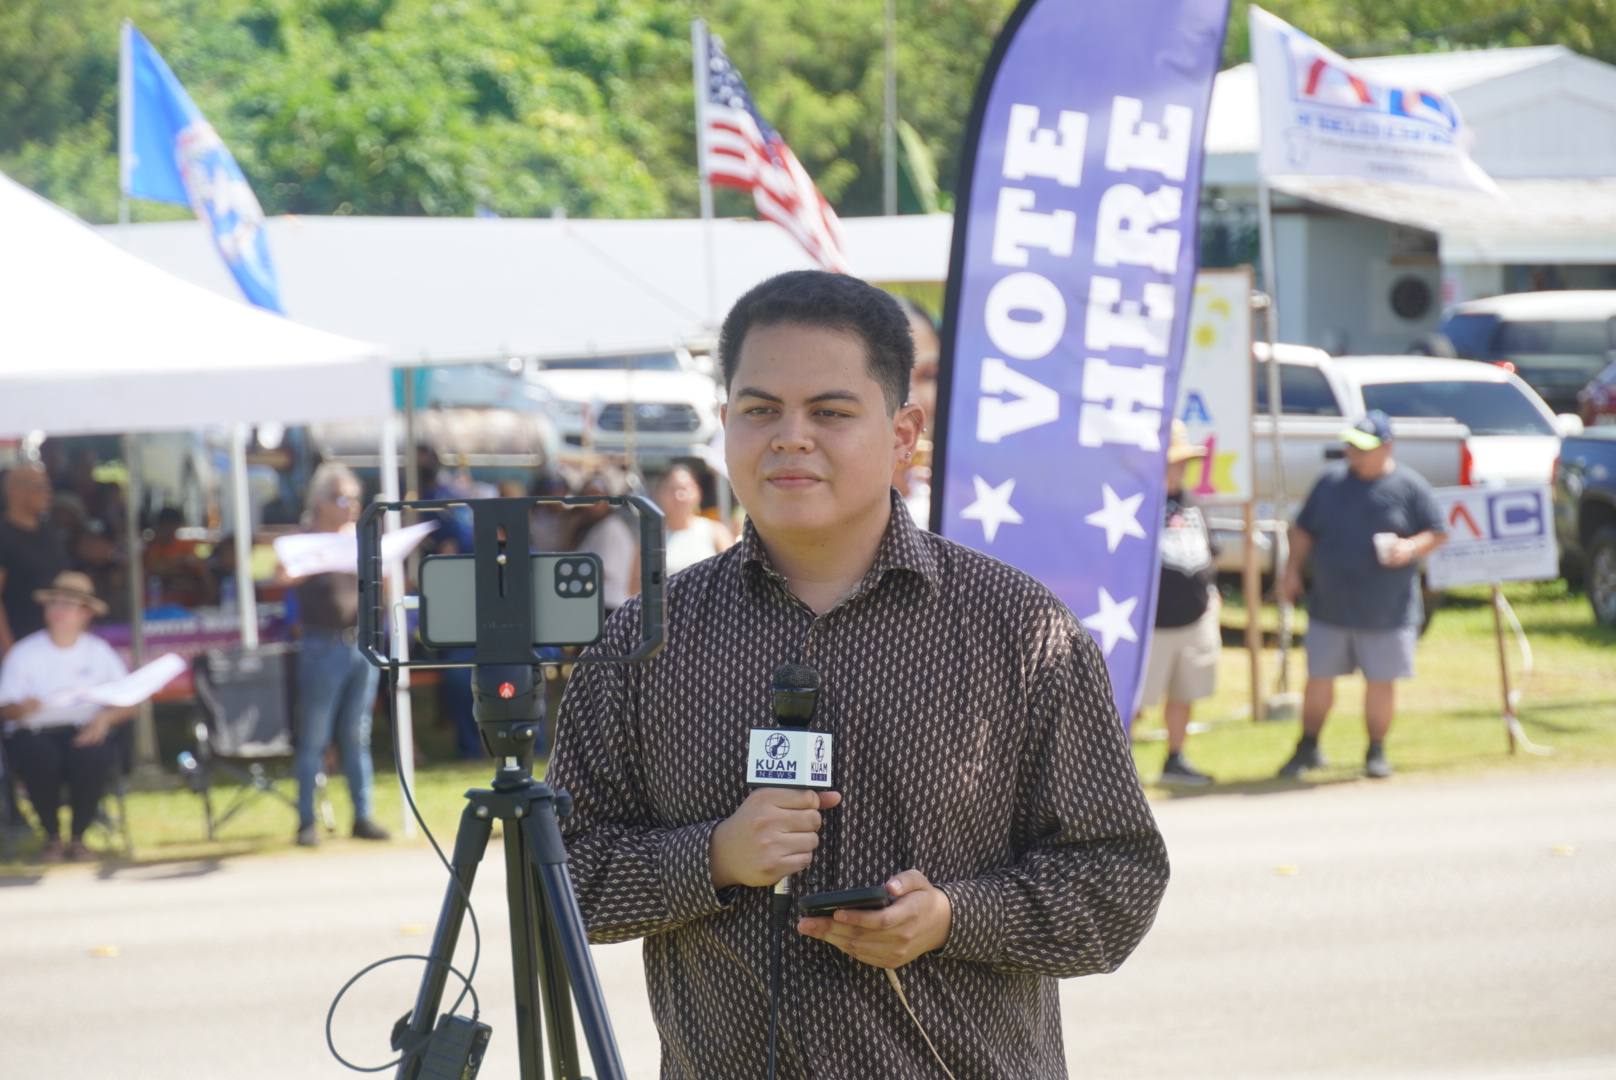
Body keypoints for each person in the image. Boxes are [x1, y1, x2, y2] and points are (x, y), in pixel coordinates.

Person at [548, 271, 1167, 1079]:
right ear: (726, 424)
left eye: (831, 412)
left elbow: (1116, 883)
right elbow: (565, 883)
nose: (790, 437)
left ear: (904, 432)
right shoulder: (643, 642)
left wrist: (953, 918)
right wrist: (715, 857)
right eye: (759, 409)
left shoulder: (1020, 631)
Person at [1278, 410, 1448, 780]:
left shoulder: (1409, 486)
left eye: (1363, 447)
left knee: (1381, 681)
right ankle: (1308, 746)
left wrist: (1410, 548)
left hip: (1386, 608)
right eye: (1351, 445)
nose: (1353, 453)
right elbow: (1304, 531)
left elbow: (1437, 531)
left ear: (1388, 447)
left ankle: (1376, 751)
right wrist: (1291, 572)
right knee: (1320, 677)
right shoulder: (1329, 483)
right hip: (1330, 604)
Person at [286, 463, 389, 845]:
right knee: (314, 736)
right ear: (321, 501)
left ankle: (363, 816)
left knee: (356, 734)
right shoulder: (305, 540)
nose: (351, 507)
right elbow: (278, 573)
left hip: (361, 643)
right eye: (343, 498)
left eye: (355, 499)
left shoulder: (359, 538)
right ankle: (306, 820)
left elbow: (384, 582)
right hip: (321, 644)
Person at [0, 571, 133, 862]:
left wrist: (104, 719)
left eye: (68, 605)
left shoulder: (99, 652)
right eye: (54, 603)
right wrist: (22, 709)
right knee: (40, 758)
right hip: (34, 732)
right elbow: (5, 706)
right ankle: (51, 838)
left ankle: (78, 837)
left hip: (84, 727)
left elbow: (129, 699)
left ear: (85, 613)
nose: (59, 611)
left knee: (92, 756)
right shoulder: (25, 652)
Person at [1140, 420, 1222, 786]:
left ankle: (1175, 758)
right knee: (1133, 700)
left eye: (1184, 462)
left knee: (1185, 691)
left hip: (1194, 615)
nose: (1181, 468)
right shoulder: (1136, 503)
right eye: (1175, 462)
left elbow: (1210, 551)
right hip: (1150, 621)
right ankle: (1114, 767)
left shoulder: (1192, 503)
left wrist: (1212, 590)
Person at [0, 463, 69, 657]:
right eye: (39, 486)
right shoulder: (3, 535)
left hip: (54, 642)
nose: (47, 492)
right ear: (16, 491)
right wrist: (8, 649)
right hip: (20, 642)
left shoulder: (49, 529)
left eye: (49, 486)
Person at [573, 467, 639, 616]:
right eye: (588, 496)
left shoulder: (611, 527)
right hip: (594, 604)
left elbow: (601, 572)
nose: (592, 502)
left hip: (608, 606)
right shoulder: (591, 528)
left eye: (597, 496)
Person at [655, 462, 732, 574]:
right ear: (659, 494)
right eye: (671, 490)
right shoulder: (651, 537)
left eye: (685, 489)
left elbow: (731, 574)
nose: (679, 496)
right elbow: (636, 585)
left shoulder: (715, 531)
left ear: (698, 492)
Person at [144, 507, 216, 608]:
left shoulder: (185, 547)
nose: (166, 530)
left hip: (187, 602)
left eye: (170, 525)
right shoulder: (150, 548)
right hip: (159, 602)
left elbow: (202, 571)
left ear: (176, 526)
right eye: (163, 526)